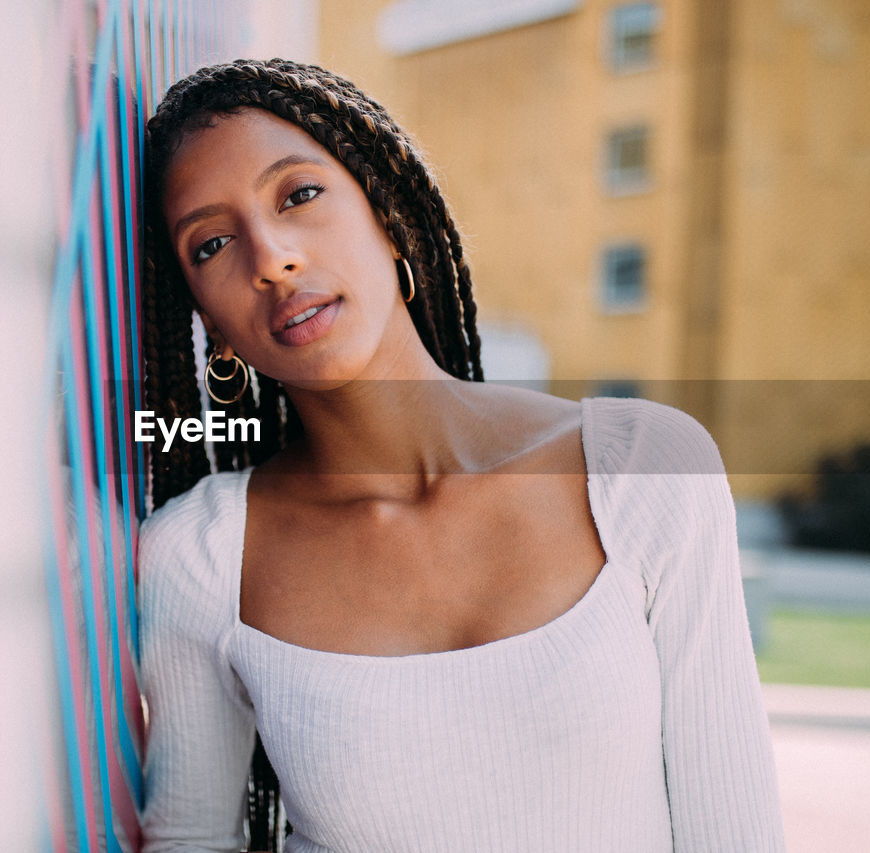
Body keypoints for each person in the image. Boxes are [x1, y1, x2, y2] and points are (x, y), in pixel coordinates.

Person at [136, 58, 784, 852]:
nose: (271, 257)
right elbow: (188, 839)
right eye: (212, 244)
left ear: (387, 212)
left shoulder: (644, 470)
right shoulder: (202, 555)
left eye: (299, 195)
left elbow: (735, 831)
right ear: (208, 323)